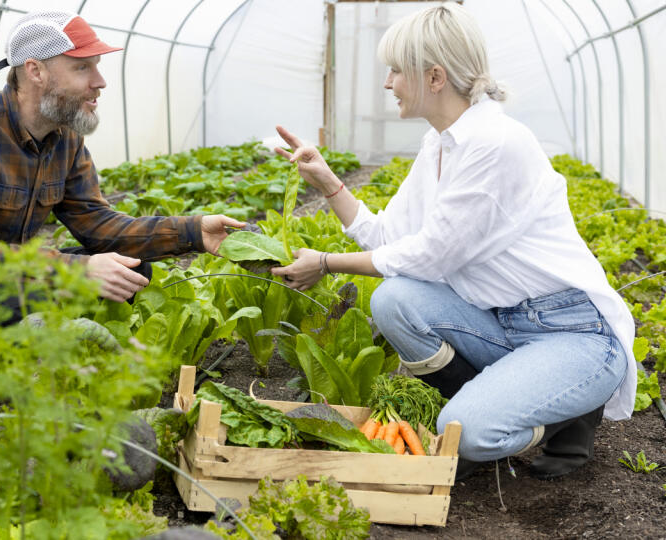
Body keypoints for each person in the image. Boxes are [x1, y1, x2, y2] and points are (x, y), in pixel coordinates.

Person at [270, 3, 634, 480]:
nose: (388, 83)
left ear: (435, 77)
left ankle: (566, 417)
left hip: (571, 333)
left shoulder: (495, 144)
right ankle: (506, 393)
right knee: (395, 299)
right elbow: (386, 238)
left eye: (396, 71)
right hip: (504, 323)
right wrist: (328, 183)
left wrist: (326, 261)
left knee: (469, 431)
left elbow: (429, 255)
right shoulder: (441, 144)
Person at [0, 11, 243, 303]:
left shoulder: (65, 137)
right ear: (36, 71)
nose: (101, 81)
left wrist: (195, 231)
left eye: (98, 66)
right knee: (16, 301)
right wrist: (78, 270)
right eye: (82, 68)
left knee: (131, 271)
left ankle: (80, 364)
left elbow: (98, 226)